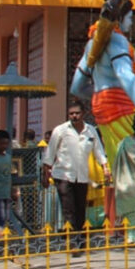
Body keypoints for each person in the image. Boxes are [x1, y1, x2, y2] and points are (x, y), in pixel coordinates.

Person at [70, 0, 135, 166]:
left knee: (116, 163)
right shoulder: (118, 41)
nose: (132, 22)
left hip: (102, 108)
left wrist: (100, 95)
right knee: (132, 165)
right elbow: (125, 76)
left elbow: (76, 87)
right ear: (120, 18)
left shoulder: (92, 44)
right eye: (130, 18)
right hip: (121, 106)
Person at [43, 99, 109, 233]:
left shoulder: (90, 131)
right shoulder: (60, 130)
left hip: (82, 176)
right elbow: (50, 153)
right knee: (68, 210)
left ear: (83, 113)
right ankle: (72, 241)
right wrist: (45, 175)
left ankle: (81, 240)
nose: (74, 116)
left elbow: (99, 151)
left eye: (77, 113)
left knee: (80, 209)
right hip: (63, 176)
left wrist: (105, 168)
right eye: (71, 114)